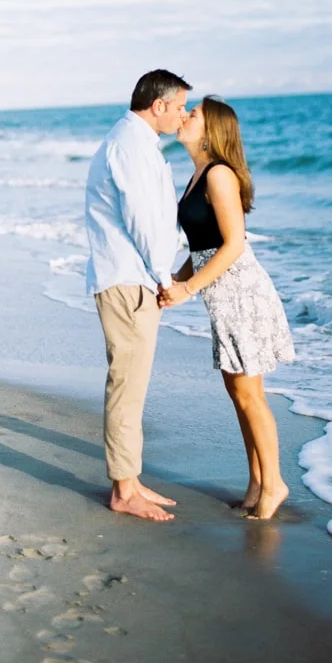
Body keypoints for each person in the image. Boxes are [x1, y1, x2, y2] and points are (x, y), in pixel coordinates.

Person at [161, 95, 295, 521]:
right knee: (238, 392)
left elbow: (234, 244)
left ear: (211, 131)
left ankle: (275, 484)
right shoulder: (197, 175)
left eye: (193, 114)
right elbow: (204, 246)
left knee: (250, 395)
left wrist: (188, 288)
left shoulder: (219, 174)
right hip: (220, 296)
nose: (184, 117)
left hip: (241, 293)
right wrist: (176, 279)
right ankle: (257, 482)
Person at [85, 69, 191, 522]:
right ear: (158, 105)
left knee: (133, 382)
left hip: (132, 276)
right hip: (130, 279)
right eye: (180, 106)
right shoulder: (130, 144)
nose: (184, 115)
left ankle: (130, 479)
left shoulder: (136, 141)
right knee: (128, 384)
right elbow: (141, 217)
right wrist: (165, 277)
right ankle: (123, 491)